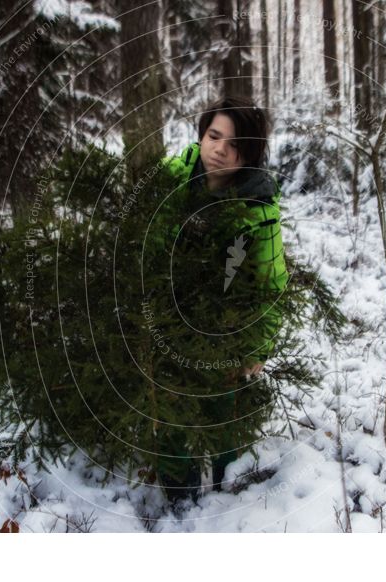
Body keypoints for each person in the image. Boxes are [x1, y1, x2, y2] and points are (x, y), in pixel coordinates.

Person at [155, 96, 289, 504]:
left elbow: (271, 281)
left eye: (233, 145)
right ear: (202, 134)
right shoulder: (171, 180)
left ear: (247, 155)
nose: (219, 149)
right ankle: (179, 493)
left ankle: (226, 490)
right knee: (170, 410)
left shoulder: (257, 206)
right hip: (169, 322)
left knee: (222, 411)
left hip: (225, 329)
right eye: (214, 136)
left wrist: (258, 346)